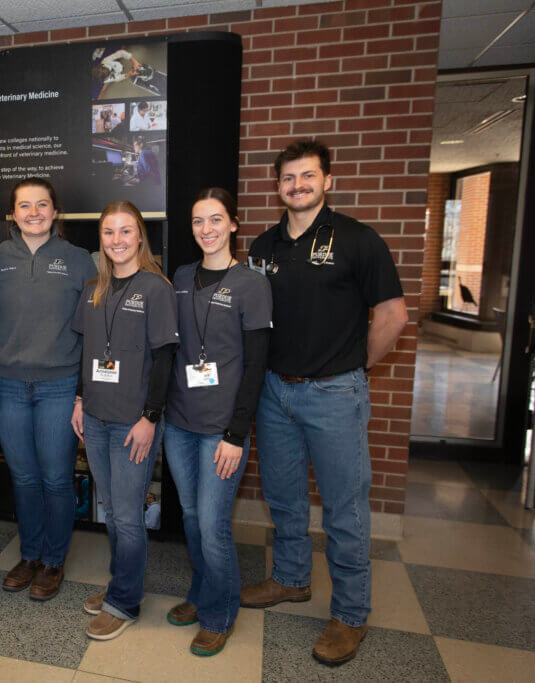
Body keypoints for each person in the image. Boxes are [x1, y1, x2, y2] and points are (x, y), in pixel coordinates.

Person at [243, 139, 408, 665]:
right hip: (275, 393)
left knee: (344, 509)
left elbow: (393, 316)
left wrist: (355, 368)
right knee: (285, 498)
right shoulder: (263, 247)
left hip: (336, 393)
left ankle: (351, 615)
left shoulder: (359, 240)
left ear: (327, 180)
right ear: (278, 186)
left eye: (308, 176)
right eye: (288, 178)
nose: (298, 186)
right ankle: (291, 579)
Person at [162, 188, 272, 657]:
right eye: (198, 221)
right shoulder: (181, 276)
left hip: (221, 431)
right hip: (179, 423)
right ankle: (202, 591)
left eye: (215, 220)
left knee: (213, 525)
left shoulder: (251, 283)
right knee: (190, 517)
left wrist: (236, 434)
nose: (206, 229)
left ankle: (220, 613)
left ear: (233, 224)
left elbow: (256, 366)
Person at [71, 201, 178, 641]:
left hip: (134, 423)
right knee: (112, 510)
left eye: (126, 231)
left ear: (139, 237)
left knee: (129, 515)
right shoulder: (94, 288)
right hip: (95, 418)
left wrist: (150, 418)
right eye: (109, 232)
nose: (117, 240)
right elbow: (86, 351)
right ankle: (121, 585)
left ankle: (124, 603)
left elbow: (165, 357)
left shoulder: (156, 288)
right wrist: (79, 399)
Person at [0, 179, 96, 600]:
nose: (34, 212)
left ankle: (53, 560)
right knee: (24, 479)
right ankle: (29, 554)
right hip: (10, 387)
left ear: (55, 211)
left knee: (55, 479)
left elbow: (93, 330)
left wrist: (83, 393)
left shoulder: (79, 261)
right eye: (24, 206)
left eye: (42, 204)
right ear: (12, 214)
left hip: (59, 386)